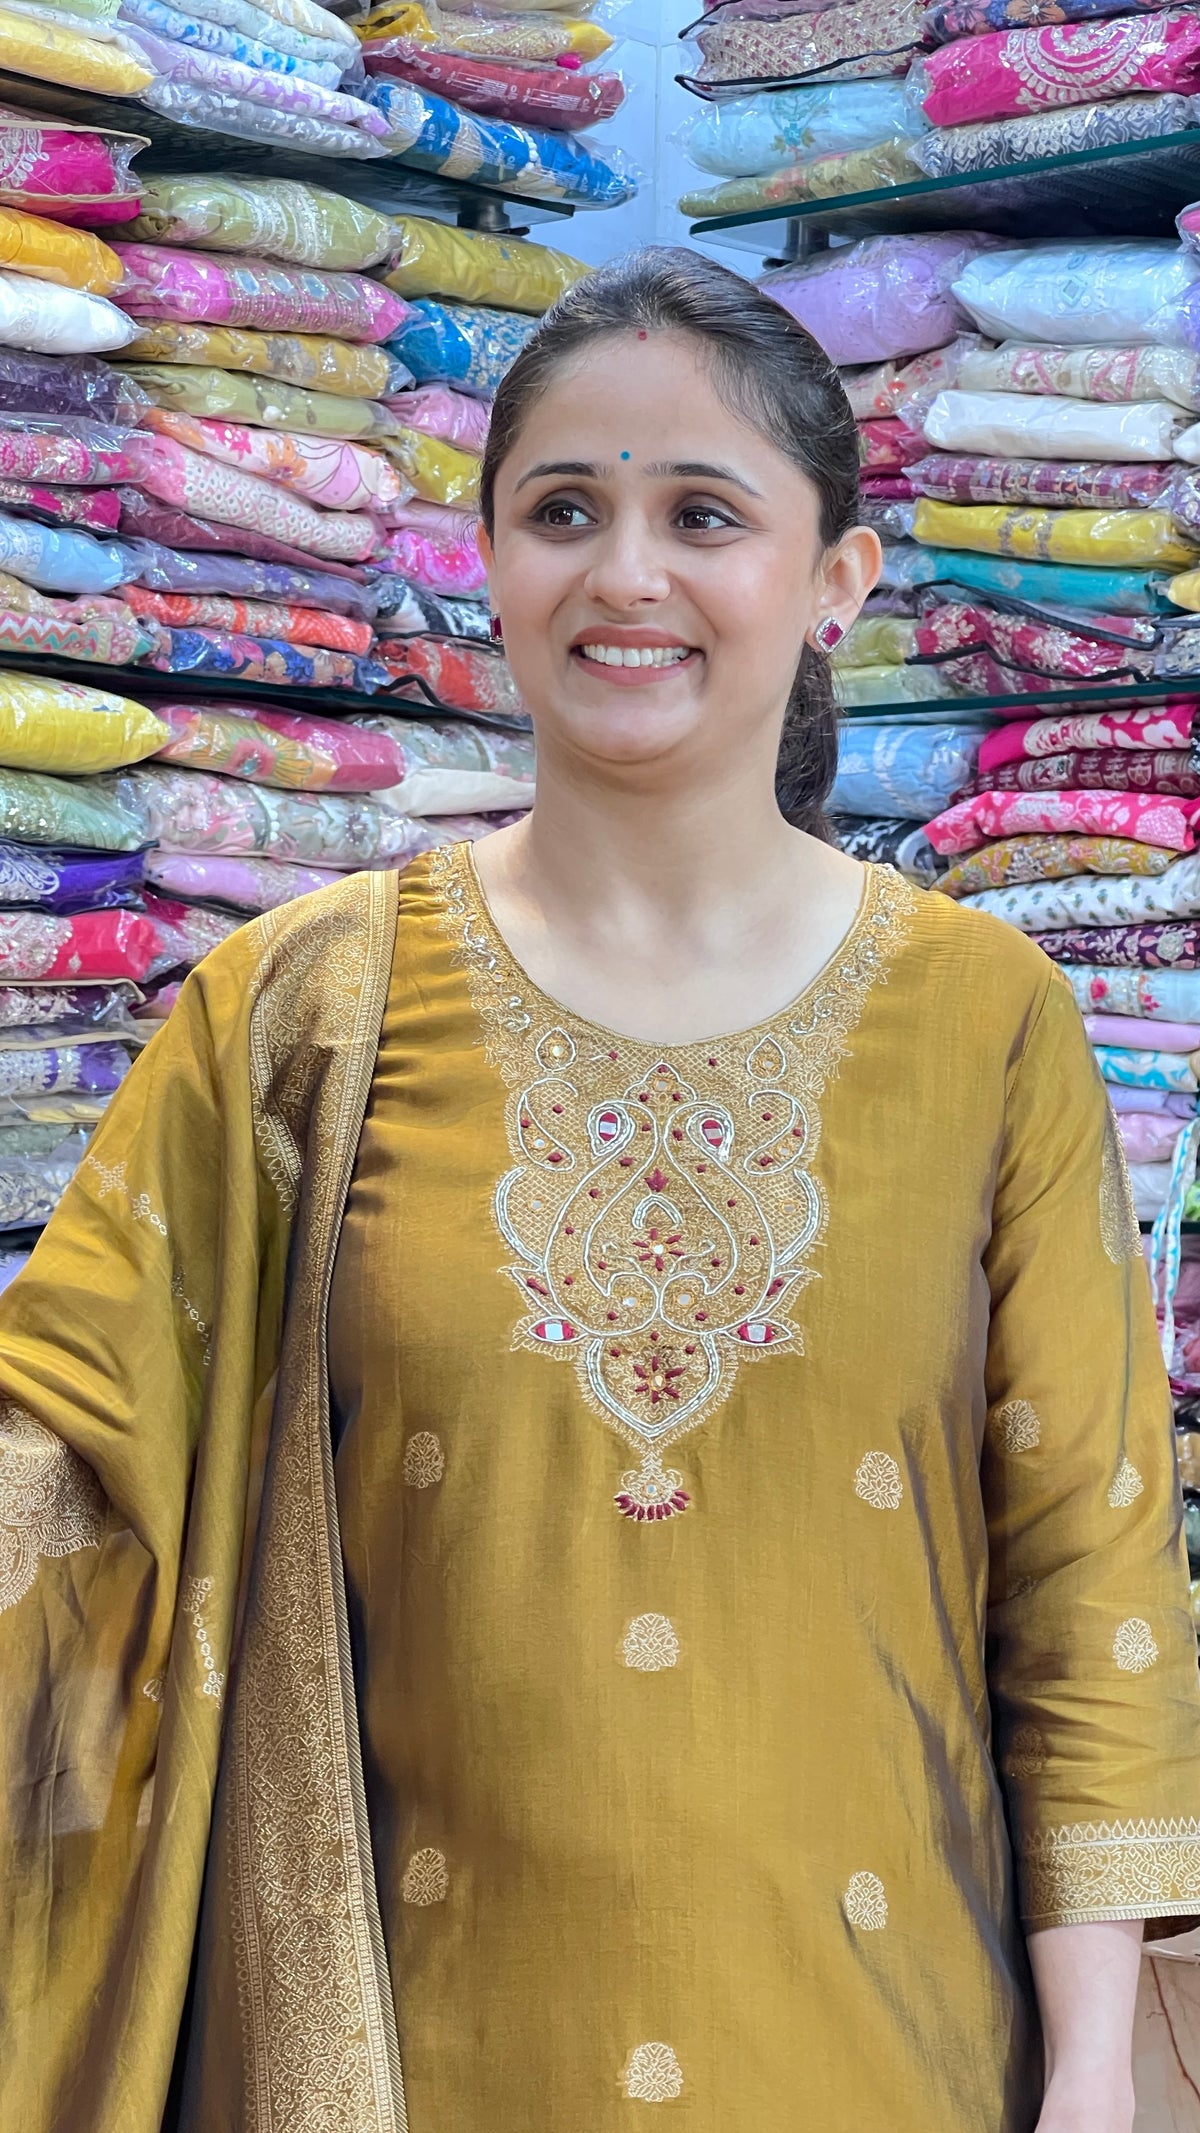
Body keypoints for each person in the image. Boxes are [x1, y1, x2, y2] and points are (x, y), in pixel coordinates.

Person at [0, 247, 1198, 2133]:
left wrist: (1098, 2078)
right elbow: (66, 1471)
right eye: (564, 510)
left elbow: (1088, 1575)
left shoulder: (990, 1021)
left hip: (887, 2058)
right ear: (489, 562)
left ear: (836, 582)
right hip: (414, 2064)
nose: (625, 573)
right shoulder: (296, 1011)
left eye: (702, 514)